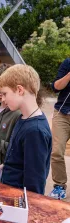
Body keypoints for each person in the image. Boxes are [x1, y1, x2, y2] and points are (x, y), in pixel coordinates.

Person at [0, 64, 52, 195]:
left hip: (21, 201)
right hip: (9, 191)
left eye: (5, 94)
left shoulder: (35, 131)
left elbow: (34, 182)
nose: (3, 99)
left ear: (19, 90)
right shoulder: (23, 118)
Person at [49, 58, 70, 199]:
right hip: (62, 113)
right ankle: (59, 186)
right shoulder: (68, 63)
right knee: (56, 151)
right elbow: (56, 87)